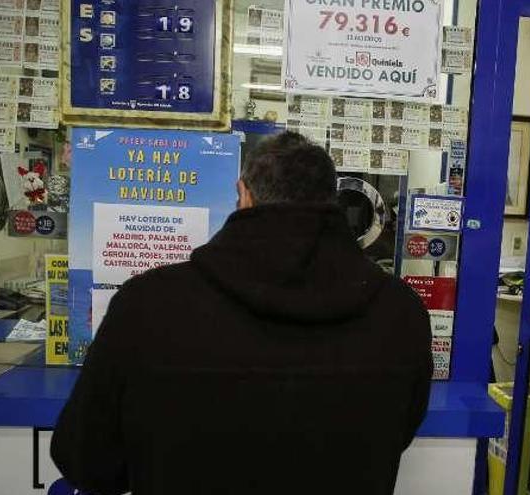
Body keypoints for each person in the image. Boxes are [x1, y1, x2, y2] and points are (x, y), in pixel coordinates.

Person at [51, 132, 433, 495]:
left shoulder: (148, 304)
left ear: (244, 195)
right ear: (331, 202)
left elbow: (87, 459)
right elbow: (395, 435)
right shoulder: (399, 311)